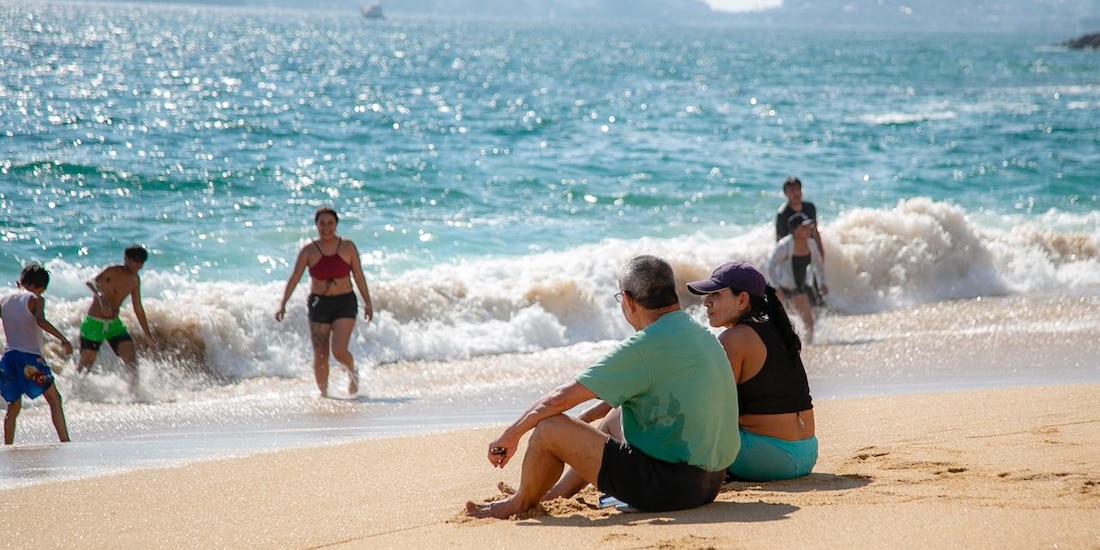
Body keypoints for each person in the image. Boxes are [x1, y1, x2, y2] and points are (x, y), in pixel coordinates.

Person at [465, 255, 739, 519]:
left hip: (667, 489)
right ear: (672, 294)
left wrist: (510, 435)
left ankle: (521, 502)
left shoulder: (645, 346)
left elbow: (558, 400)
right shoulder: (701, 335)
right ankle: (556, 494)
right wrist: (581, 425)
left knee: (549, 429)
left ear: (628, 302)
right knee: (614, 417)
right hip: (709, 483)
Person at [687, 261, 817, 482]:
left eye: (716, 294)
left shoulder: (734, 339)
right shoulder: (777, 331)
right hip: (807, 451)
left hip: (768, 458)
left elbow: (714, 410)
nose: (706, 302)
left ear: (742, 300)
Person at [276, 206, 374, 398]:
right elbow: (295, 277)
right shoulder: (308, 251)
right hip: (319, 304)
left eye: (330, 223)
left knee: (338, 350)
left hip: (344, 302)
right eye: (322, 223)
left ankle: (352, 372)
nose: (326, 227)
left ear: (336, 225)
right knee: (321, 355)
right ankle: (324, 395)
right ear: (316, 225)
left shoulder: (348, 247)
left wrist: (368, 302)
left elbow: (359, 276)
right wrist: (283, 303)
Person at [1, 264, 73, 444]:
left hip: (9, 358)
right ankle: (65, 441)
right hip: (30, 359)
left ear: (21, 282)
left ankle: (8, 445)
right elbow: (40, 320)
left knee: (14, 406)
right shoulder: (36, 299)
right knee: (54, 399)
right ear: (42, 287)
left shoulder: (4, 300)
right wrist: (63, 339)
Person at [78, 245, 156, 388]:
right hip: (94, 323)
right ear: (126, 259)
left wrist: (148, 335)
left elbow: (138, 308)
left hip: (114, 325)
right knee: (86, 365)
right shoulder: (113, 270)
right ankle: (75, 394)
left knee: (131, 358)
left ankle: (134, 394)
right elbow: (91, 282)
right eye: (135, 261)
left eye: (141, 262)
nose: (138, 265)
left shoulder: (135, 280)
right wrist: (101, 296)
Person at [767, 212, 828, 344]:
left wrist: (822, 283)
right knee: (803, 322)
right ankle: (805, 347)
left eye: (809, 227)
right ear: (795, 230)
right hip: (786, 287)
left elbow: (818, 265)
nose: (808, 230)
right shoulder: (785, 245)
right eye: (804, 227)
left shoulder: (811, 244)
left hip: (802, 286)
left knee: (812, 317)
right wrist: (776, 287)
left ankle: (806, 346)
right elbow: (770, 266)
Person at [775, 176, 825, 258]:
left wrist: (821, 251)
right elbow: (780, 240)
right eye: (792, 191)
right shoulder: (782, 214)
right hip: (792, 255)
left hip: (810, 250)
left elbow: (815, 231)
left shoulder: (810, 208)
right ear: (785, 193)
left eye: (798, 189)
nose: (796, 193)